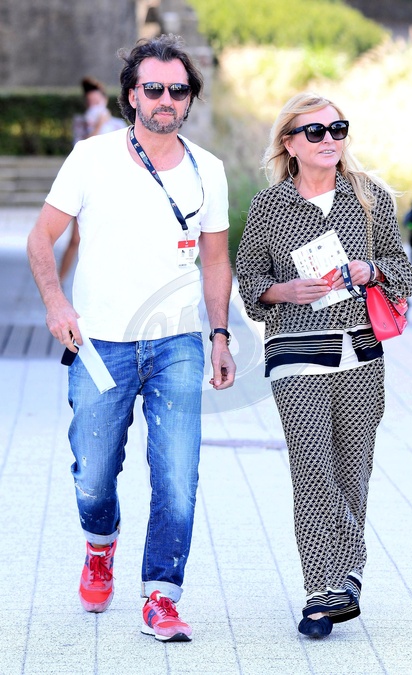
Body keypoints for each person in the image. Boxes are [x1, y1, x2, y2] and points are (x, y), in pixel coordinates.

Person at [27, 34, 236, 643]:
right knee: (93, 476)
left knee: (177, 476)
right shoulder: (90, 158)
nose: (167, 99)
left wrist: (220, 335)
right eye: (154, 88)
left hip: (177, 343)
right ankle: (100, 545)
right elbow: (41, 238)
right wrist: (56, 303)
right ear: (132, 95)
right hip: (100, 343)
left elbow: (215, 260)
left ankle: (161, 595)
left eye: (179, 90)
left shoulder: (209, 170)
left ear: (190, 98)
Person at [236, 92, 412, 639]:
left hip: (361, 352)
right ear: (289, 144)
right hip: (295, 352)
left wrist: (369, 270)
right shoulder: (269, 206)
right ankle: (321, 590)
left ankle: (348, 576)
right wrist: (283, 290)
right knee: (313, 467)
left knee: (352, 469)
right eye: (314, 132)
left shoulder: (369, 197)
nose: (329, 139)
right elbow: (249, 280)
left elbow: (402, 271)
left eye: (337, 129)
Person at [59, 77, 127, 283]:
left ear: (104, 100)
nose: (94, 105)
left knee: (109, 240)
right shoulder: (81, 123)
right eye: (90, 102)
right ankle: (58, 283)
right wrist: (98, 125)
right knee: (75, 239)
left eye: (96, 101)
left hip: (109, 187)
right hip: (85, 185)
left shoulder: (118, 126)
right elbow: (80, 150)